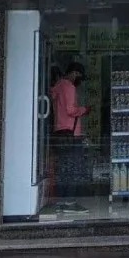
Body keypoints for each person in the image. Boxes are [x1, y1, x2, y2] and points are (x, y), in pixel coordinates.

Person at [49, 62, 91, 208]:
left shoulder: (58, 86)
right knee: (74, 168)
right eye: (79, 76)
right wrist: (84, 109)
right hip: (71, 134)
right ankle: (70, 201)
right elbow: (71, 110)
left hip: (59, 132)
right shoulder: (69, 87)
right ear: (74, 73)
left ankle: (61, 199)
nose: (79, 80)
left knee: (62, 168)